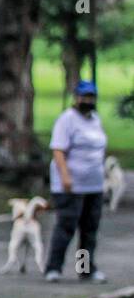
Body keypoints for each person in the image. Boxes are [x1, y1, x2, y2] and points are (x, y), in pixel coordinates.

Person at [44, 80, 108, 284]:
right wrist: (65, 177)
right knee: (66, 227)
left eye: (91, 97)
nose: (88, 100)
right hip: (71, 185)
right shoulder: (67, 120)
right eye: (84, 96)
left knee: (89, 230)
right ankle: (53, 268)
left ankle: (85, 269)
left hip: (93, 185)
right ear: (76, 97)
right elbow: (58, 150)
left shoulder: (95, 119)